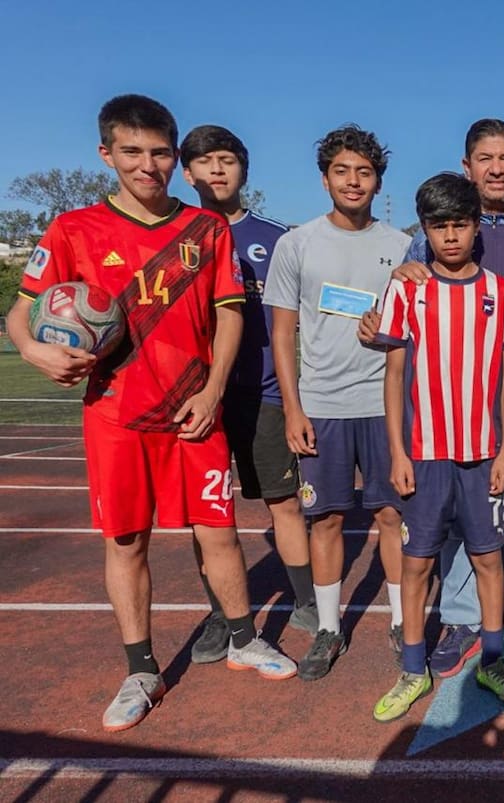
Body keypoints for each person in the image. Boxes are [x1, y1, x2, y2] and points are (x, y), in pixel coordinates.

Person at [7, 94, 296, 732]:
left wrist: (214, 388)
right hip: (115, 415)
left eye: (159, 152)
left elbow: (229, 314)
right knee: (126, 541)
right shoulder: (71, 229)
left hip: (194, 408)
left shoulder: (206, 229)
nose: (148, 165)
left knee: (219, 531)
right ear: (106, 154)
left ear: (175, 157)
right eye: (132, 152)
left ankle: (244, 638)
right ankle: (141, 669)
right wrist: (34, 350)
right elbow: (22, 313)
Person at [359, 119, 504, 677]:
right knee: (461, 530)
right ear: (467, 167)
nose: (496, 166)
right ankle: (460, 621)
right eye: (485, 157)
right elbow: (409, 292)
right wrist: (382, 312)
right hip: (446, 428)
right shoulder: (431, 232)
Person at [372, 172, 504, 721]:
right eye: (438, 227)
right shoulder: (408, 289)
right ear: (425, 230)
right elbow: (393, 376)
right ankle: (413, 670)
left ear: (475, 228)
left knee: (490, 560)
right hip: (424, 454)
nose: (450, 237)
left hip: (482, 454)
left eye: (459, 225)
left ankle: (492, 659)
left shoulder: (501, 292)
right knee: (418, 564)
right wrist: (397, 451)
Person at [263, 124, 412, 681]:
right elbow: (283, 333)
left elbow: (415, 327)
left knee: (392, 515)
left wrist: (389, 334)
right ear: (325, 178)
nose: (354, 181)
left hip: (384, 406)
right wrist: (294, 408)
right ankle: (328, 629)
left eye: (365, 172)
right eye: (342, 171)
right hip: (321, 407)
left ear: (378, 181)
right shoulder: (296, 243)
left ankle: (403, 622)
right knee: (324, 520)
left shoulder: (402, 246)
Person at [180, 125, 318, 663]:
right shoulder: (175, 236)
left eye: (228, 160)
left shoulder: (278, 237)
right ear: (187, 172)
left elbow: (310, 310)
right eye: (205, 161)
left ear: (244, 169)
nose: (217, 169)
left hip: (263, 394)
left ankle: (306, 601)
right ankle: (222, 614)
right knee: (208, 514)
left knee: (283, 503)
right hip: (196, 399)